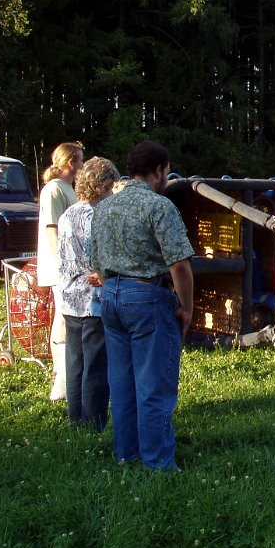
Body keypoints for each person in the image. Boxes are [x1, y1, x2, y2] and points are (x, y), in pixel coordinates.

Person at [90, 141, 194, 471]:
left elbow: (97, 264)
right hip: (148, 296)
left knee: (122, 384)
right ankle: (158, 462)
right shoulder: (159, 206)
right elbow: (179, 264)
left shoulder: (104, 207)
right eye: (167, 172)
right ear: (159, 170)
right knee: (154, 385)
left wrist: (115, 288)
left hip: (110, 297)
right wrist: (187, 308)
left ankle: (127, 454)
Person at [57, 157, 120, 431]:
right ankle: (93, 423)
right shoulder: (98, 216)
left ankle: (76, 419)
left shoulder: (68, 214)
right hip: (94, 298)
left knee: (75, 362)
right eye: (112, 186)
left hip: (69, 297)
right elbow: (101, 257)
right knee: (95, 364)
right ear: (102, 186)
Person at [37, 141, 84, 401]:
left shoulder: (68, 187)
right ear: (70, 162)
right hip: (61, 267)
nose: (82, 164)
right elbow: (52, 229)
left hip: (71, 266)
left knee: (68, 319)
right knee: (63, 320)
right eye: (80, 159)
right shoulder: (53, 189)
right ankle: (61, 383)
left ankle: (68, 377)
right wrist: (63, 264)